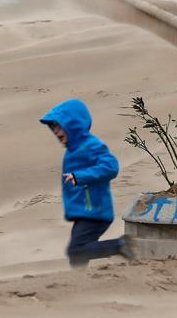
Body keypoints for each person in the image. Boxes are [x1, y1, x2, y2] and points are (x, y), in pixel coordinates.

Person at [40, 99, 129, 269]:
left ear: (73, 125)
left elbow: (111, 166)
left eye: (60, 126)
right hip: (84, 211)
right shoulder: (73, 149)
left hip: (95, 210)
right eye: (54, 127)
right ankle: (80, 283)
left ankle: (122, 245)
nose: (56, 132)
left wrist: (80, 176)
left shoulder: (90, 145)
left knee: (76, 250)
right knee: (77, 257)